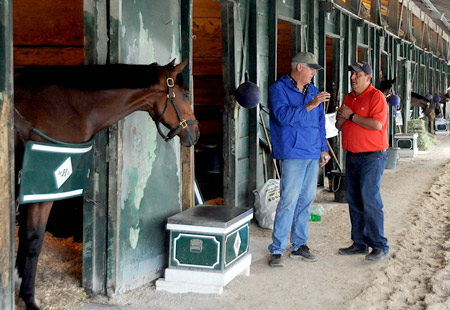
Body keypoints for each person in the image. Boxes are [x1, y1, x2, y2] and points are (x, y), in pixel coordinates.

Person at [268, 52, 331, 267]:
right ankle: (277, 249)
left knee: (306, 200)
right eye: (312, 69)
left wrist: (324, 149)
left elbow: (320, 124)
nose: (314, 73)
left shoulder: (313, 91)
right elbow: (283, 117)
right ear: (300, 67)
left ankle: (299, 245)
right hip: (293, 152)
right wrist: (311, 104)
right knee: (288, 200)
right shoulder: (279, 89)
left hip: (313, 152)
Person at [335, 61, 389, 261]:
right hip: (352, 155)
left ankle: (379, 245)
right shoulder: (349, 97)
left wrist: (351, 116)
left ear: (368, 77)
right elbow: (339, 124)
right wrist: (343, 117)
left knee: (370, 200)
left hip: (372, 156)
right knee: (355, 201)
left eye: (358, 74)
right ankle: (359, 243)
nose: (353, 78)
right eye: (352, 74)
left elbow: (376, 124)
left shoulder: (377, 97)